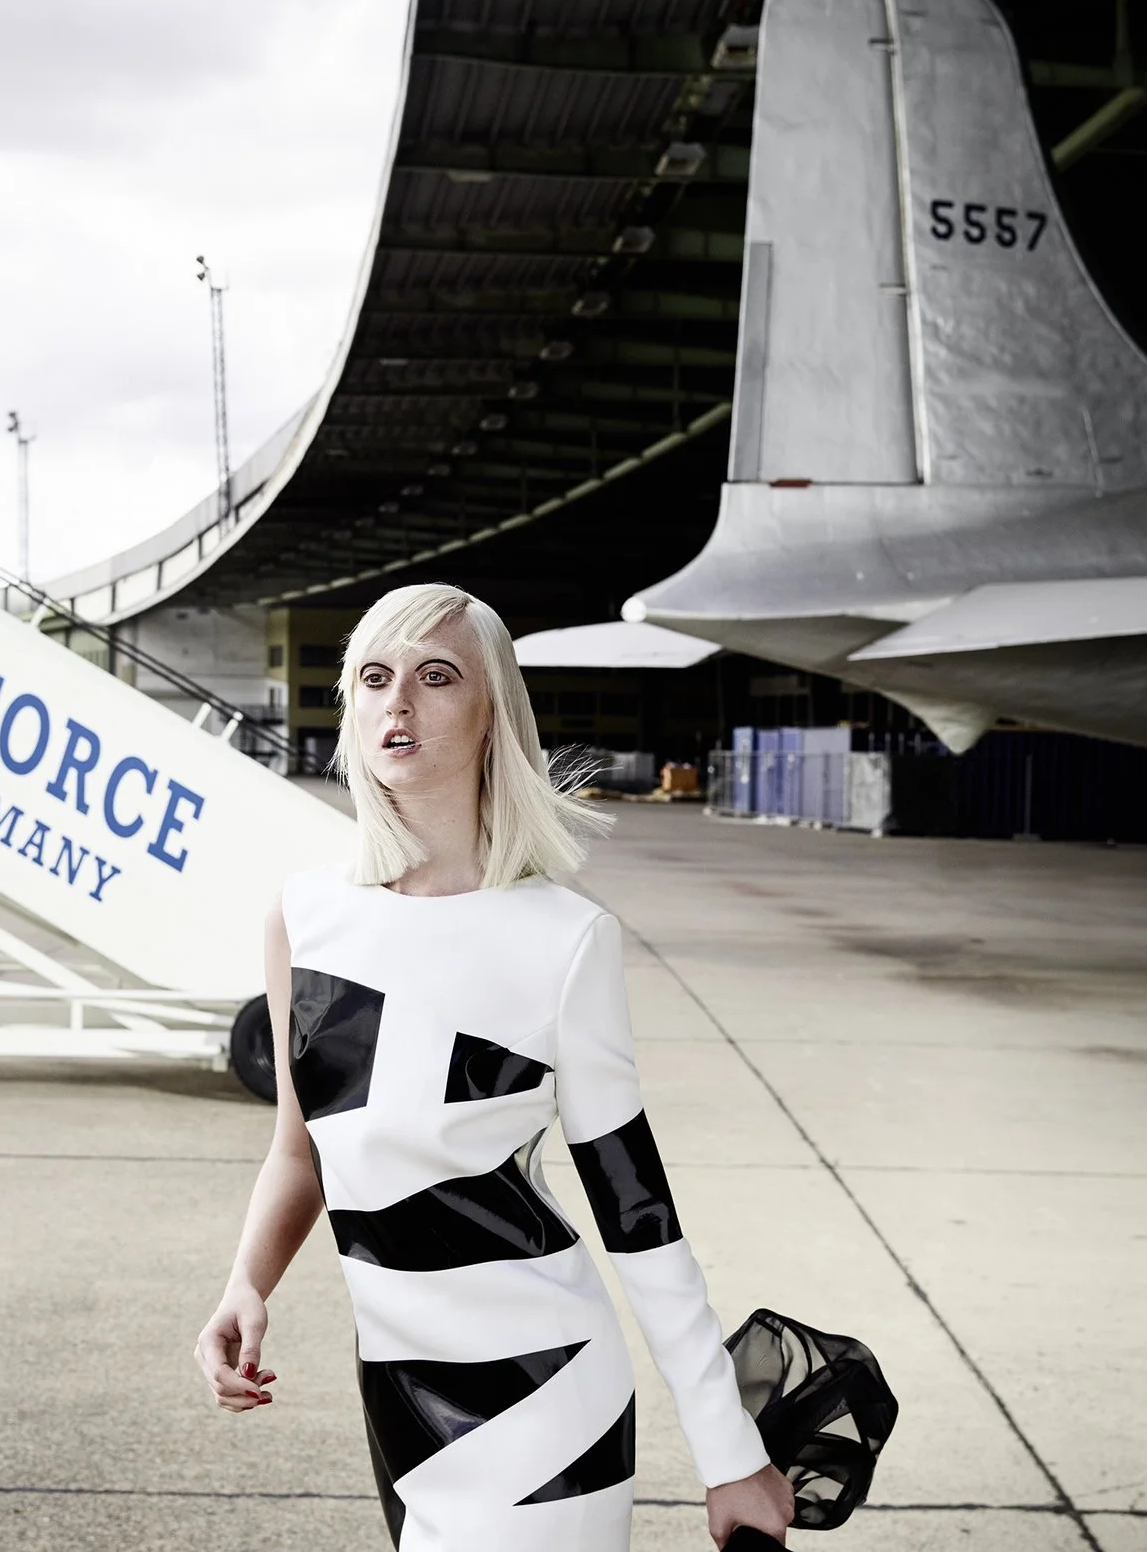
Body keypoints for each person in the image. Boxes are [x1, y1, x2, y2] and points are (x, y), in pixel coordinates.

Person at [195, 583, 795, 1551]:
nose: (398, 702)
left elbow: (636, 1214)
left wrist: (727, 1448)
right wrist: (244, 1284)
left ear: (491, 714)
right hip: (394, 1379)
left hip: (542, 1380)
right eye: (374, 677)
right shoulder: (303, 914)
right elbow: (300, 1150)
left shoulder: (564, 937)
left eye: (437, 677)